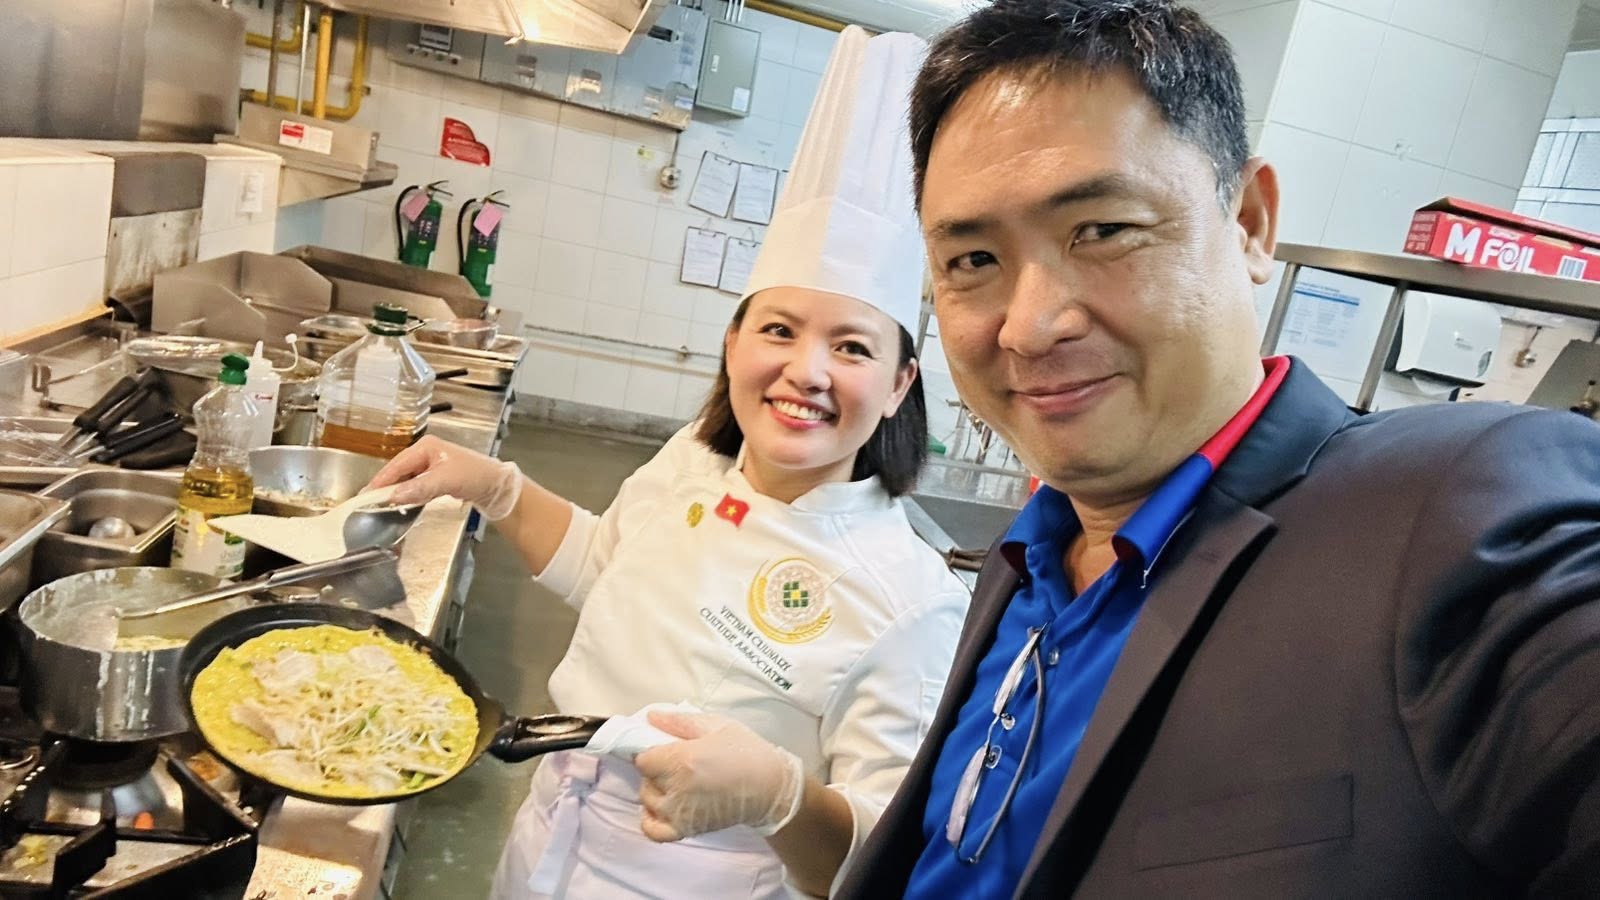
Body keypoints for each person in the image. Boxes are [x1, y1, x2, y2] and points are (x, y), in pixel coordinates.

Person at [835, 1, 1600, 897]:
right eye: (973, 260)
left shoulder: (1455, 515)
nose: (1030, 327)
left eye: (1103, 230)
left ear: (1249, 222)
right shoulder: (1028, 558)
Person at [368, 27, 970, 900]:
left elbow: (878, 862)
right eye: (779, 329)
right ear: (733, 342)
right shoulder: (693, 458)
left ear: (899, 384)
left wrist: (781, 798)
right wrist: (492, 486)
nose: (806, 371)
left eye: (851, 346)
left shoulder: (910, 602)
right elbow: (607, 571)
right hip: (546, 840)